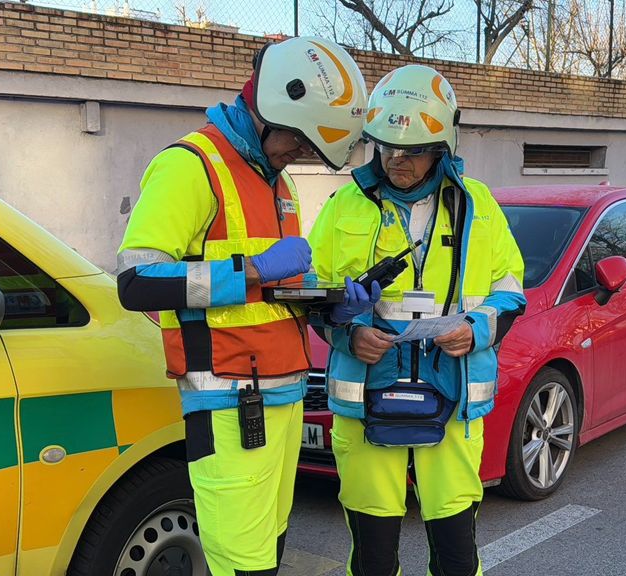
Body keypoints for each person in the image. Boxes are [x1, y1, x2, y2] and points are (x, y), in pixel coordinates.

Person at [116, 36, 371, 576]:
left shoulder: (276, 183)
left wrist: (328, 304)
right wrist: (252, 270)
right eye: (298, 140)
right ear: (269, 109)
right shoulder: (191, 165)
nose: (299, 154)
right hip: (229, 405)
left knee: (268, 555)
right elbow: (137, 282)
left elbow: (273, 296)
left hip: (281, 400)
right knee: (242, 565)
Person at [308, 64, 526, 576]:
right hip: (366, 396)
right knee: (373, 555)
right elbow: (312, 293)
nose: (395, 159)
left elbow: (511, 290)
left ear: (441, 148)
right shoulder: (344, 205)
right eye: (385, 146)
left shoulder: (478, 206)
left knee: (454, 550)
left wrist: (475, 329)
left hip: (451, 395)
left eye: (410, 150)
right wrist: (347, 331)